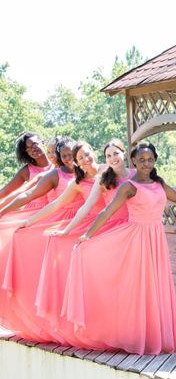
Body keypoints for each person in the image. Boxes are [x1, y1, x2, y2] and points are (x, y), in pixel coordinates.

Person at [61, 142, 176, 354]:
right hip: (136, 239)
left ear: (155, 161)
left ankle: (158, 337)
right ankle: (137, 338)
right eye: (141, 160)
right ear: (134, 161)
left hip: (155, 238)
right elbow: (107, 212)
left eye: (150, 160)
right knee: (139, 289)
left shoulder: (158, 182)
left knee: (156, 287)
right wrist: (87, 235)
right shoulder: (128, 186)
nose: (146, 163)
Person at [34, 139, 135, 339]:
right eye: (80, 158)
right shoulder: (91, 181)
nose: (85, 159)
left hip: (130, 226)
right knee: (78, 251)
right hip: (104, 224)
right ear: (77, 163)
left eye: (87, 154)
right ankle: (91, 321)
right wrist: (33, 222)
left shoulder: (114, 169)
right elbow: (80, 207)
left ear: (94, 153)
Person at [1, 141, 100, 341]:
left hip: (87, 221)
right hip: (62, 219)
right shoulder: (56, 175)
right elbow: (27, 194)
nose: (69, 159)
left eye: (71, 155)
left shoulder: (94, 173)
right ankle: (47, 317)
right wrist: (3, 211)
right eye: (64, 156)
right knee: (33, 242)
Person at [0, 132, 52, 209]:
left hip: (55, 209)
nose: (33, 149)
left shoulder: (58, 164)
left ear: (42, 142)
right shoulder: (26, 171)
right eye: (28, 148)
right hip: (32, 213)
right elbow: (6, 191)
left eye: (34, 144)